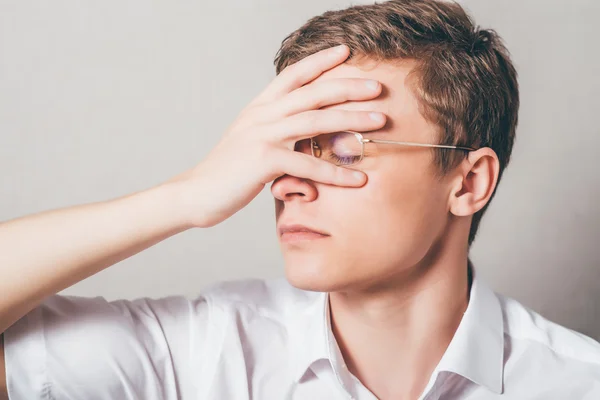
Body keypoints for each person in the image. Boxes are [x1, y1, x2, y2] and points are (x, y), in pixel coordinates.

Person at [1, 0, 600, 398]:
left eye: (343, 147)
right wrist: (188, 197)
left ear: (467, 183)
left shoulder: (576, 382)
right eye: (291, 145)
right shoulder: (206, 355)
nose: (286, 181)